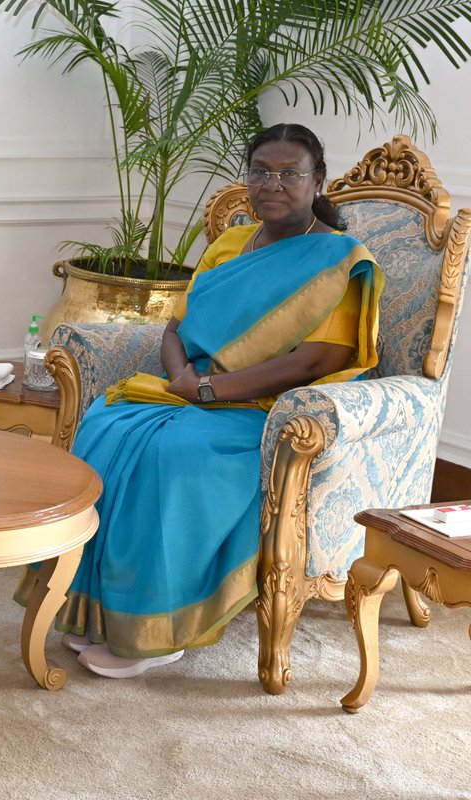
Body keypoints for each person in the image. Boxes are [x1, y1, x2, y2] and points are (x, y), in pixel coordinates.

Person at [33, 123, 383, 678]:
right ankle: (99, 611)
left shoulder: (340, 259)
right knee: (104, 426)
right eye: (261, 170)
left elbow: (315, 361)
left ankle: (160, 629)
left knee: (174, 454)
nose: (273, 183)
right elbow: (175, 329)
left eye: (289, 173)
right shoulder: (227, 244)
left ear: (318, 181)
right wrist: (183, 380)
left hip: (267, 410)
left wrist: (210, 390)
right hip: (193, 391)